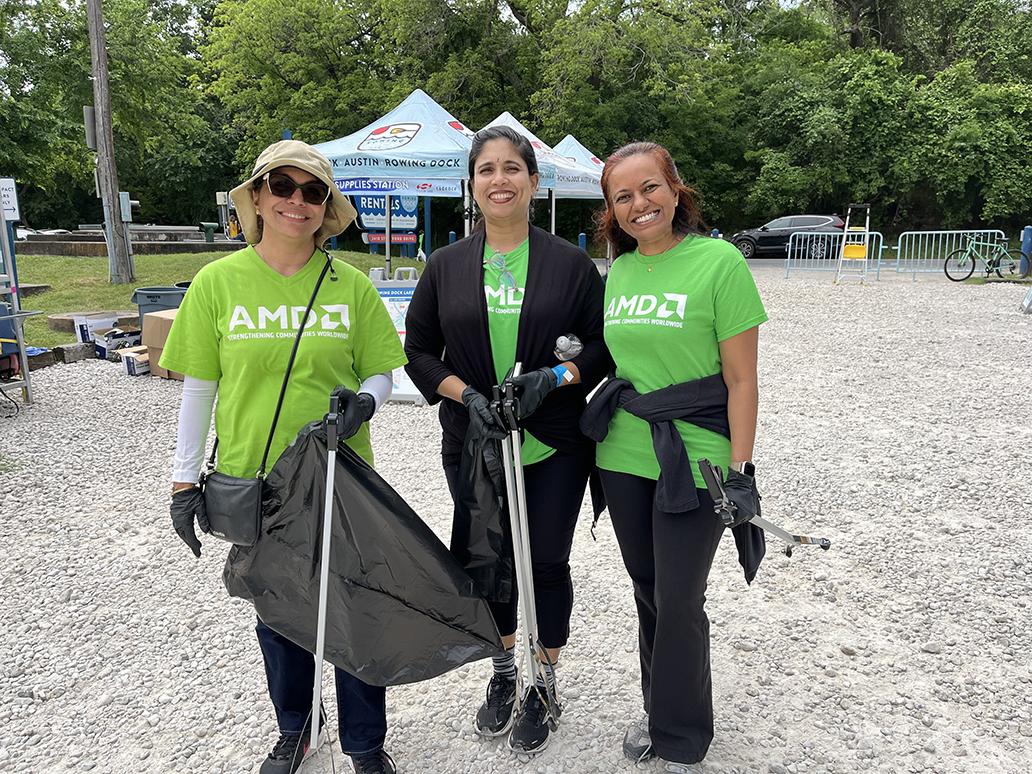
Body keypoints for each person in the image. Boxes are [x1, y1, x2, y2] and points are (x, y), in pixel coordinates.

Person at [162, 140, 407, 774]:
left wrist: (367, 403)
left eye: (312, 191)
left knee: (354, 611)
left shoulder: (349, 285)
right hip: (256, 477)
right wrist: (184, 481)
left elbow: (383, 370)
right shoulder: (218, 283)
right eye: (283, 187)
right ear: (259, 198)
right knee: (277, 616)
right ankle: (296, 730)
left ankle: (364, 743)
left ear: (326, 207)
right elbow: (199, 385)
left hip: (340, 477)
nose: (296, 201)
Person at [403, 126, 609, 754]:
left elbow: (603, 347)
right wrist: (466, 396)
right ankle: (501, 671)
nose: (500, 180)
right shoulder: (445, 265)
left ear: (533, 182)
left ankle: (543, 680)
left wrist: (558, 375)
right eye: (487, 170)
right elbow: (417, 352)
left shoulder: (570, 266)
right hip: (474, 441)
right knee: (488, 560)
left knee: (545, 561)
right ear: (473, 185)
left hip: (552, 441)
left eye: (512, 169)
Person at [586, 142, 767, 772]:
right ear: (612, 210)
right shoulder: (621, 274)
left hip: (696, 456)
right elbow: (611, 361)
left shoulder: (718, 263)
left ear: (675, 190)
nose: (640, 205)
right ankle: (658, 705)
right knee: (647, 589)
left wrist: (741, 472)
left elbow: (741, 381)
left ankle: (683, 731)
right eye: (624, 196)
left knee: (681, 597)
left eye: (650, 188)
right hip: (624, 452)